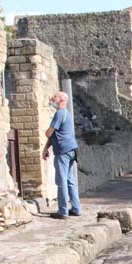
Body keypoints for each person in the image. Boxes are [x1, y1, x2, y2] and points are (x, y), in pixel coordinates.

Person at [42, 91, 81, 219]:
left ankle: (63, 211)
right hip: (71, 149)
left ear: (62, 100)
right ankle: (76, 208)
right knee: (70, 180)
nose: (52, 98)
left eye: (55, 97)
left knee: (62, 181)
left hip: (63, 151)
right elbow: (55, 135)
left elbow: (49, 133)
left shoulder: (59, 114)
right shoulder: (66, 114)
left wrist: (46, 134)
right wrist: (46, 148)